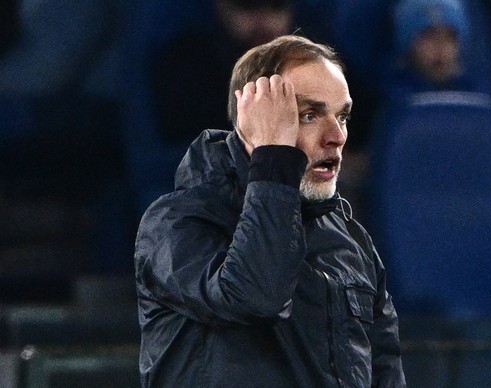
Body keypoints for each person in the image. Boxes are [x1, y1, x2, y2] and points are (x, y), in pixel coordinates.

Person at [134, 35, 406, 387]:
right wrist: (274, 155)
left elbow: (384, 371)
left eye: (342, 116)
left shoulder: (351, 239)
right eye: (308, 115)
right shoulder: (177, 222)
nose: (336, 136)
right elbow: (256, 297)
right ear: (253, 120)